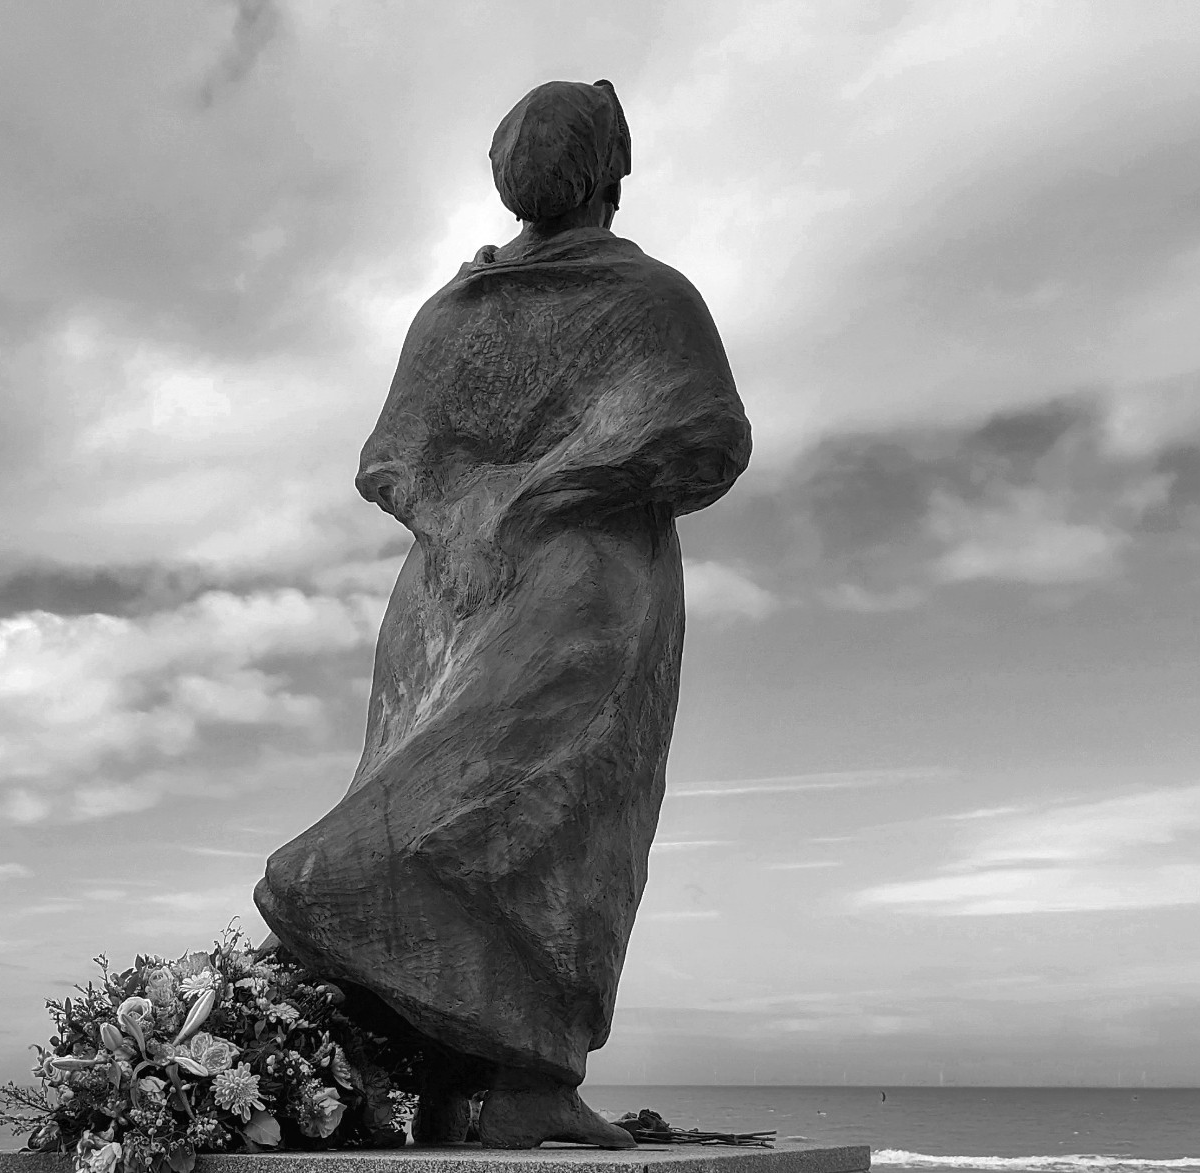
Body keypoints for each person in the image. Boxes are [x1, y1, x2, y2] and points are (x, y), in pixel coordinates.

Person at [255, 78, 749, 1149]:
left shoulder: (453, 310)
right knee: (554, 828)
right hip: (577, 590)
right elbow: (707, 437)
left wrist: (471, 507)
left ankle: (463, 1078)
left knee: (510, 823)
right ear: (611, 175)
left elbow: (391, 464)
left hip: (450, 592)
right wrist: (547, 492)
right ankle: (523, 1072)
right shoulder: (648, 299)